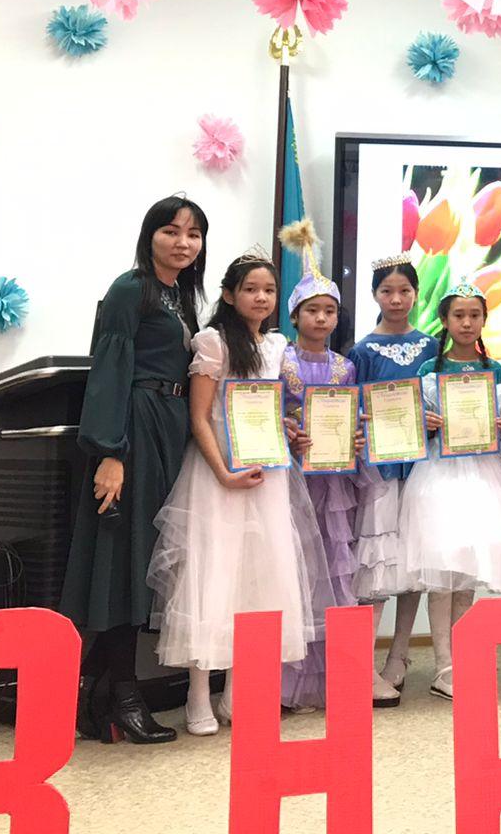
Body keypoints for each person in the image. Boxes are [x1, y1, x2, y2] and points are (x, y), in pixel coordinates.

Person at [147, 250, 332, 736]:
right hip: (218, 473)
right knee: (214, 575)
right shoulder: (212, 342)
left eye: (268, 290)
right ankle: (197, 694)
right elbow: (199, 417)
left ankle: (235, 693)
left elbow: (265, 408)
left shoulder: (276, 345)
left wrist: (285, 429)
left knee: (257, 578)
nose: (260, 297)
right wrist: (224, 472)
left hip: (266, 472)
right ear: (229, 295)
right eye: (250, 289)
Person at [60, 195, 208, 745]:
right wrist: (111, 452)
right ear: (150, 236)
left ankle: (91, 694)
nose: (182, 242)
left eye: (193, 234)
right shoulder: (131, 288)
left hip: (171, 427)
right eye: (171, 231)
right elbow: (110, 368)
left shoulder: (180, 296)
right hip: (136, 428)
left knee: (143, 561)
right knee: (124, 563)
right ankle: (122, 696)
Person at [276, 221, 402, 711]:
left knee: (332, 570)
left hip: (334, 483)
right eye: (313, 310)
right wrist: (287, 428)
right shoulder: (280, 359)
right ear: (295, 315)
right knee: (296, 566)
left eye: (330, 310)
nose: (322, 318)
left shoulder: (345, 366)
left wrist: (355, 436)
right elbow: (266, 411)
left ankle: (335, 677)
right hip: (292, 477)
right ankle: (285, 680)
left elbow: (349, 415)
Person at [402, 282, 501, 699]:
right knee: (443, 573)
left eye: (475, 315)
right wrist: (425, 424)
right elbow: (410, 427)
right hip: (438, 476)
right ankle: (443, 665)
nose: (467, 322)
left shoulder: (494, 372)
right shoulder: (429, 370)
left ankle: (463, 658)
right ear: (444, 320)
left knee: (468, 572)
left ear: (484, 320)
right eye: (459, 315)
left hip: (482, 476)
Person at [346, 256, 438, 698]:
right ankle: (361, 667)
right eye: (387, 291)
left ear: (416, 294)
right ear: (374, 295)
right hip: (380, 469)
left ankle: (399, 655)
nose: (397, 299)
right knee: (378, 562)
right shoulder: (361, 351)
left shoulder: (432, 347)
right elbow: (350, 408)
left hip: (422, 467)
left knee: (413, 559)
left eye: (404, 291)